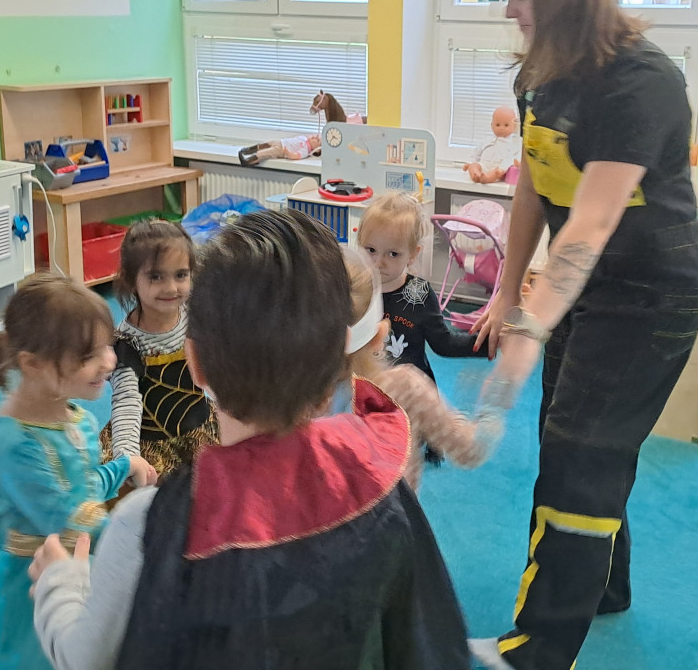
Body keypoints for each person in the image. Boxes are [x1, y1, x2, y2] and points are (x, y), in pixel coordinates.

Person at [28, 210, 470, 669]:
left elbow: (85, 657)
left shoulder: (147, 523)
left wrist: (62, 584)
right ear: (337, 366)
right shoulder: (379, 481)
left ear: (195, 363)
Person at [467, 0, 698, 670]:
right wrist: (508, 293)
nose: (508, 10)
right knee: (575, 439)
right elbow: (533, 186)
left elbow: (593, 220)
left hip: (650, 294)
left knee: (580, 454)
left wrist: (531, 328)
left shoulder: (642, 83)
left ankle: (538, 651)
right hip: (581, 290)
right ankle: (603, 585)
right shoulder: (541, 73)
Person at [0, 272, 157, 670]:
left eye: (107, 346)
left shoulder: (74, 416)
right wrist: (140, 539)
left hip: (69, 561)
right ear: (33, 364)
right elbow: (69, 517)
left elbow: (81, 485)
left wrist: (122, 466)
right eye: (87, 357)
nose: (109, 361)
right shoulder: (14, 443)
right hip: (29, 580)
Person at [338, 248, 507, 490]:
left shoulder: (293, 401)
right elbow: (469, 450)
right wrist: (494, 403)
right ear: (380, 334)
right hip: (394, 513)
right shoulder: (403, 388)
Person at [97, 219, 216, 476]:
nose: (171, 288)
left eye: (181, 275)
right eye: (156, 277)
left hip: (200, 427)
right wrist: (129, 456)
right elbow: (126, 401)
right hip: (151, 443)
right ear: (131, 280)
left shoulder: (194, 316)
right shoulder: (126, 343)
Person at [359, 192, 489, 383]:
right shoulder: (355, 288)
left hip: (410, 393)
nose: (379, 262)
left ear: (412, 255)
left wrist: (489, 342)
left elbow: (444, 344)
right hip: (367, 390)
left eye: (393, 254)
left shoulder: (419, 293)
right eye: (371, 250)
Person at [464, 106, 522, 184]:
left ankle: (487, 178)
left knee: (499, 172)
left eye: (506, 125)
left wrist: (518, 162)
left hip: (499, 168)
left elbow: (517, 154)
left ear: (514, 126)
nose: (501, 128)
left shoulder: (514, 142)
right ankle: (476, 175)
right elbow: (476, 152)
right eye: (497, 125)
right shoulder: (486, 140)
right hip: (484, 165)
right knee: (474, 166)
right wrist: (469, 162)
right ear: (492, 126)